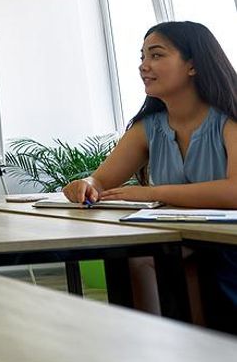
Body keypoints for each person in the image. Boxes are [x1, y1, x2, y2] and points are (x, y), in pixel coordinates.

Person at [62, 21, 237, 320]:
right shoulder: (148, 127)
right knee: (138, 257)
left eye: (156, 56)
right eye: (142, 57)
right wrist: (85, 184)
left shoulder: (229, 119)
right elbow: (101, 180)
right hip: (186, 240)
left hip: (228, 245)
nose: (144, 66)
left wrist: (151, 193)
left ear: (193, 65)